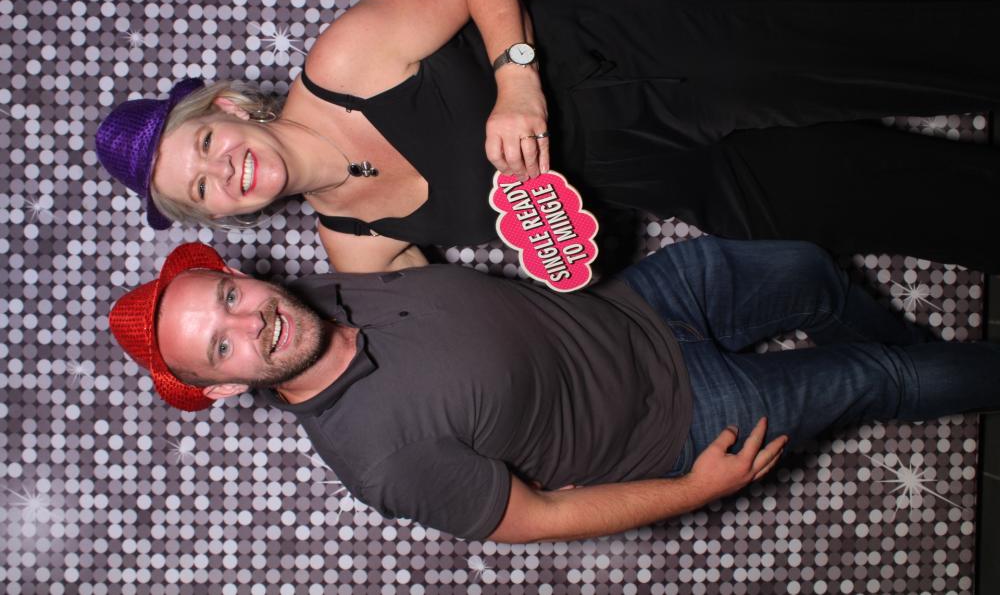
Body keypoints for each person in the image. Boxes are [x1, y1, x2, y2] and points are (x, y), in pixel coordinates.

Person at [96, 0, 1000, 274]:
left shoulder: (341, 63)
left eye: (204, 146)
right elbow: (438, 332)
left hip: (618, 62)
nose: (223, 172)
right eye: (201, 190)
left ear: (227, 109)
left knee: (876, 55)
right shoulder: (355, 246)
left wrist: (516, 79)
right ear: (219, 215)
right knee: (886, 201)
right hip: (644, 178)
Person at [108, 237, 1000, 542]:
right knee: (878, 379)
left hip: (645, 302)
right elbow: (538, 518)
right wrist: (697, 489)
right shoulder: (380, 459)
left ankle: (923, 365)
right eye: (220, 345)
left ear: (238, 274)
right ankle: (924, 374)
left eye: (228, 298)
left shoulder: (324, 284)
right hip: (685, 421)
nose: (251, 323)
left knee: (808, 268)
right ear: (222, 389)